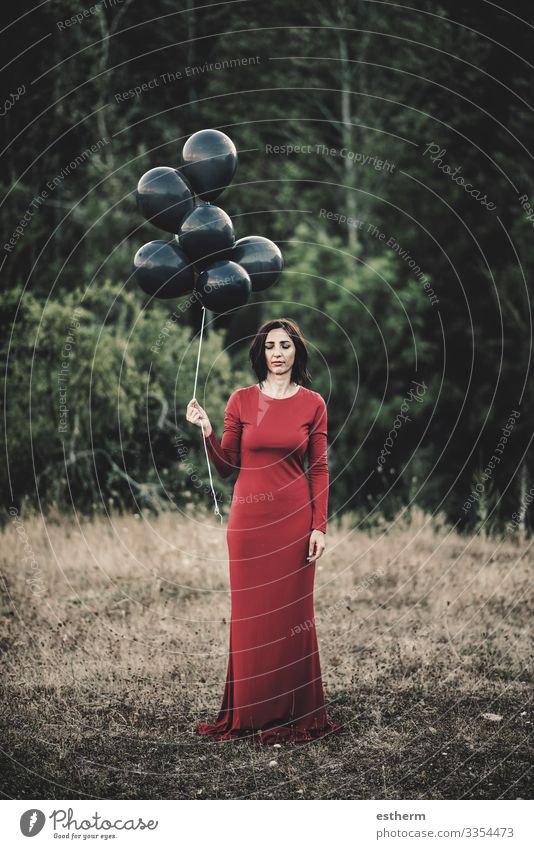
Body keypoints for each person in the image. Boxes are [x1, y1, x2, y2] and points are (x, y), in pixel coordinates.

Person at [186, 318, 342, 744]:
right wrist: (206, 433)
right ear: (262, 353)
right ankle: (250, 712)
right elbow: (227, 466)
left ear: (297, 352)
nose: (277, 353)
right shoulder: (241, 400)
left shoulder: (313, 404)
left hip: (294, 525)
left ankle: (294, 710)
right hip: (248, 527)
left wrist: (319, 526)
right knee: (252, 618)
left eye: (285, 345)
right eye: (270, 346)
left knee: (294, 617)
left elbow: (320, 468)